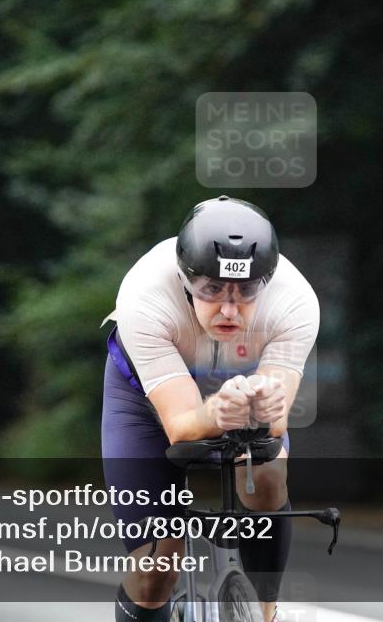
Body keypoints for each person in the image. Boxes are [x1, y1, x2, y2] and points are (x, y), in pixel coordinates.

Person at [102, 195, 320, 622]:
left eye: (246, 291)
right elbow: (182, 426)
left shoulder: (295, 301)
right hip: (145, 400)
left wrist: (264, 409)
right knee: (155, 573)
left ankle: (264, 613)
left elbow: (274, 423)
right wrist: (216, 411)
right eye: (211, 289)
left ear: (267, 281)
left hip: (242, 386)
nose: (228, 309)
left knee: (268, 479)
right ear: (185, 278)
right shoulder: (145, 293)